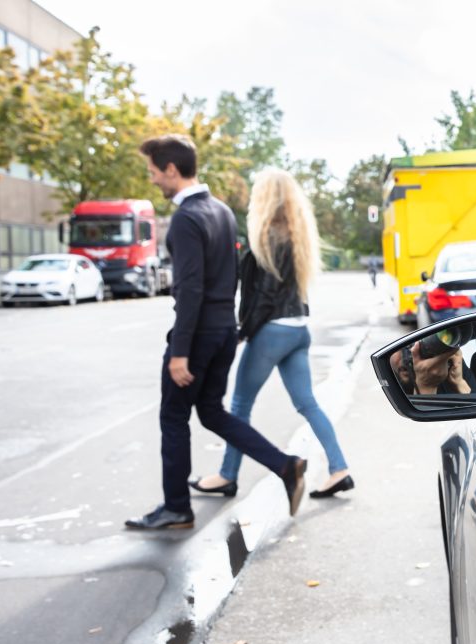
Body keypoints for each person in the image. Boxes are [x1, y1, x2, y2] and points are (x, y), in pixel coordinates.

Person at [126, 136, 308, 530]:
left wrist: (179, 351)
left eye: (154, 172)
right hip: (223, 331)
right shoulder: (222, 212)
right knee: (210, 411)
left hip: (197, 336)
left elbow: (189, 288)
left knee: (173, 417)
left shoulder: (188, 219)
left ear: (171, 169)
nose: (153, 179)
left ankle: (176, 507)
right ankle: (285, 465)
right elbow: (230, 278)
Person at [188, 168, 354, 500]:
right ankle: (339, 469)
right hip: (297, 329)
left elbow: (262, 297)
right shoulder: (296, 235)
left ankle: (227, 475)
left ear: (264, 197)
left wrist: (241, 332)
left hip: (272, 331)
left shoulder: (267, 236)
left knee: (238, 405)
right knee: (307, 404)